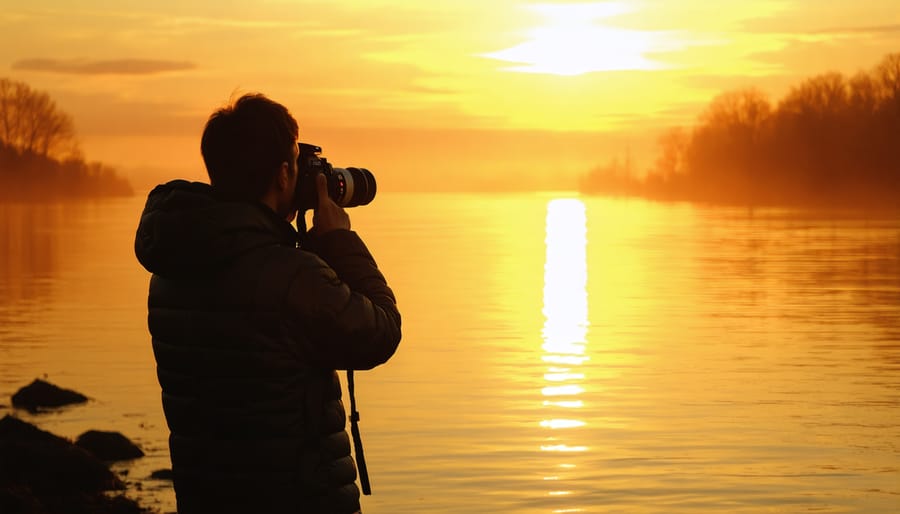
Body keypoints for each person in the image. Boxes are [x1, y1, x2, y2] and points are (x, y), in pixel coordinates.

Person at [134, 93, 402, 514]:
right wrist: (339, 241)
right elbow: (381, 332)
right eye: (295, 163)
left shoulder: (171, 268)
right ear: (282, 175)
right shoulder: (290, 276)